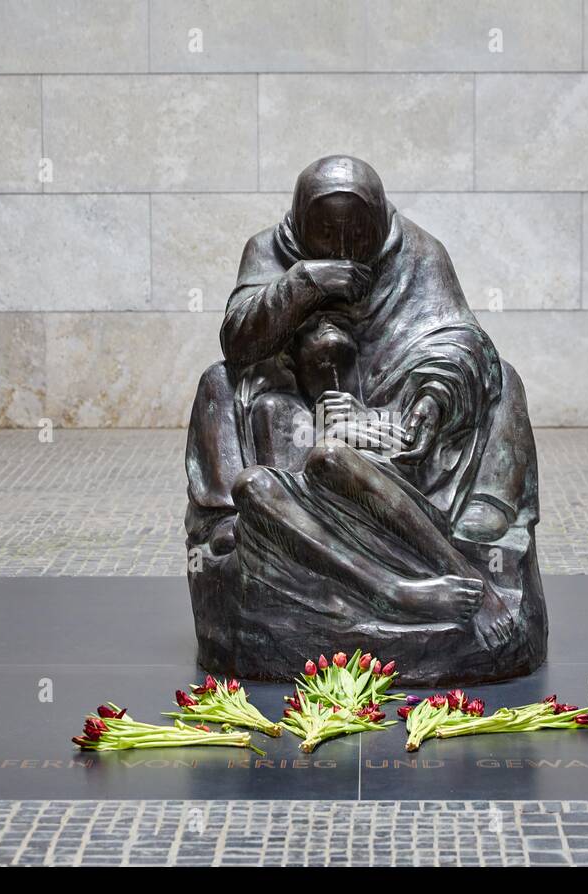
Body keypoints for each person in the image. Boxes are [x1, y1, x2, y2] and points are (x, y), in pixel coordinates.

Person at [185, 155, 542, 669]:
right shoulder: (269, 250)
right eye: (326, 230)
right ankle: (230, 519)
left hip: (389, 403)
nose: (344, 243)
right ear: (301, 223)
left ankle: (472, 526)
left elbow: (457, 337)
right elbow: (238, 340)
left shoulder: (418, 251)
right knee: (218, 382)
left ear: (379, 222)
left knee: (501, 376)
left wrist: (430, 399)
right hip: (296, 408)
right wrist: (304, 283)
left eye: (357, 231)